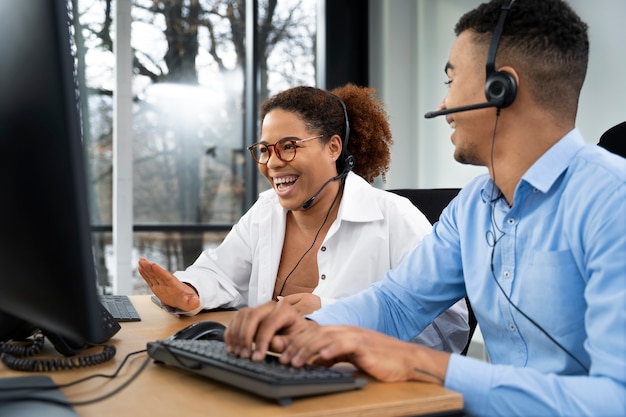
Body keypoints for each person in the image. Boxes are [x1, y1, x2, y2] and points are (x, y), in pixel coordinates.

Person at [224, 1, 626, 416]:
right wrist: (308, 328)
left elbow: (617, 398)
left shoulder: (613, 202)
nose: (444, 102)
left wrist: (420, 362)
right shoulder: (471, 209)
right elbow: (398, 303)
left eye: (451, 80)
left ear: (500, 89)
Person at [139, 83, 470, 353]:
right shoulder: (266, 211)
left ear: (333, 147)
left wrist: (328, 313)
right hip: (272, 375)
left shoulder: (394, 218)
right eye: (265, 149)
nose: (273, 162)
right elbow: (221, 273)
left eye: (289, 146)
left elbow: (446, 333)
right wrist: (189, 291)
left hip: (361, 392)